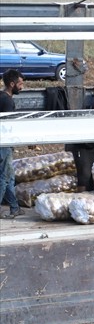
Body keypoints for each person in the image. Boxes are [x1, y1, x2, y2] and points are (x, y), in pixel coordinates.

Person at [1, 69, 24, 217]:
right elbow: (9, 126)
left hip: (3, 143)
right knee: (3, 176)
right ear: (12, 84)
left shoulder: (1, 97)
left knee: (9, 177)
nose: (22, 87)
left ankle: (14, 207)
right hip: (4, 144)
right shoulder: (7, 101)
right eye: (20, 84)